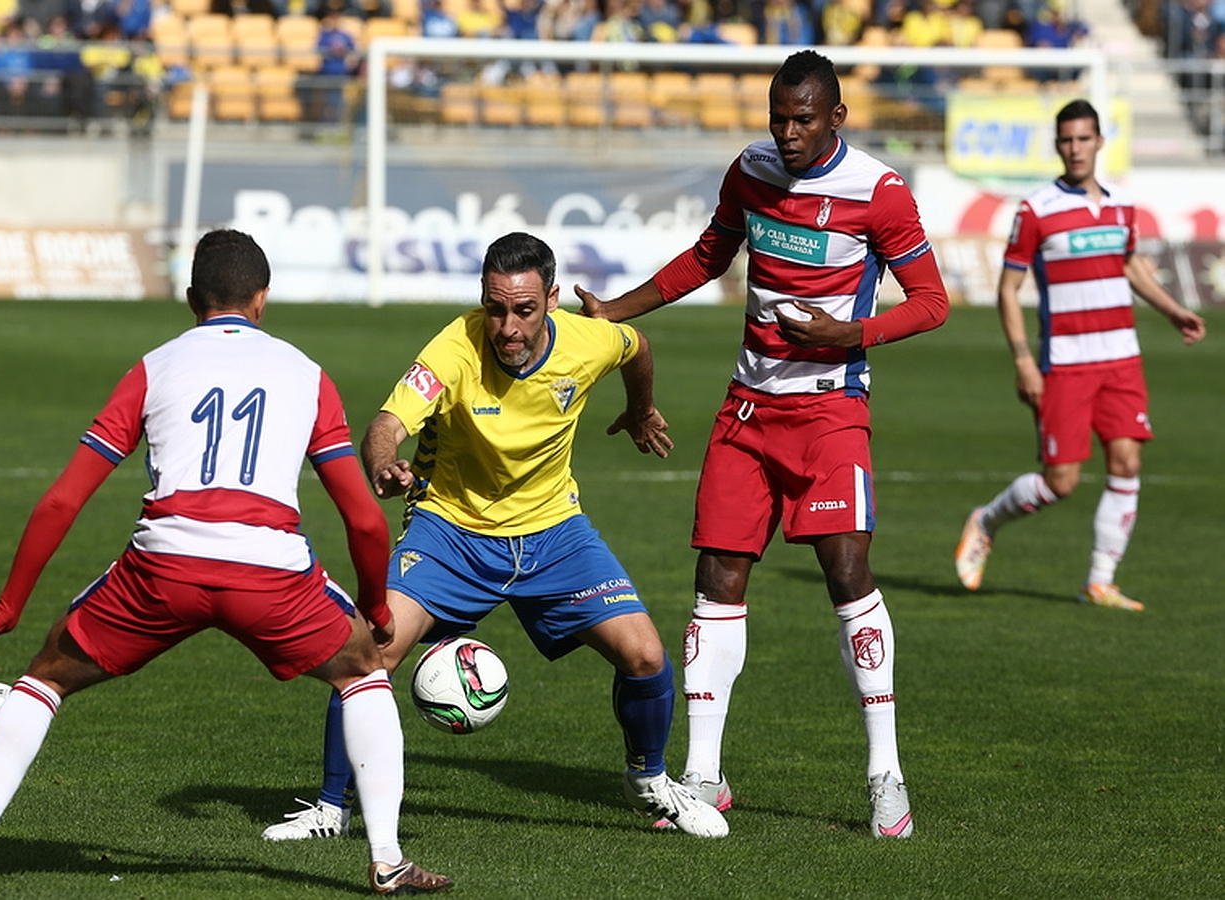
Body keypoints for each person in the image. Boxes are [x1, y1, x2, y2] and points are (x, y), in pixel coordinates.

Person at [0, 230, 452, 896]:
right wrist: (375, 608)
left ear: (190, 299)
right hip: (271, 574)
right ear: (263, 300)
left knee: (44, 678)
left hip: (164, 568)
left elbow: (62, 500)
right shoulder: (307, 374)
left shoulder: (154, 366)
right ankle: (387, 861)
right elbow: (366, 520)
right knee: (364, 675)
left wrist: (8, 606)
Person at [575, 49, 950, 838]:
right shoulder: (749, 172)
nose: (787, 133)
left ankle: (886, 774)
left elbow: (932, 303)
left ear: (837, 118)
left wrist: (852, 332)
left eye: (803, 119)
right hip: (747, 411)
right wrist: (620, 309)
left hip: (829, 412)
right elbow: (710, 254)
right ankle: (706, 777)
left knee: (847, 574)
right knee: (717, 577)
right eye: (778, 117)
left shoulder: (877, 193)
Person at [260, 231, 730, 843]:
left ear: (553, 301)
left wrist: (641, 409)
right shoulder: (455, 348)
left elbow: (636, 344)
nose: (507, 326)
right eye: (495, 307)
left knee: (644, 655)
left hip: (554, 533)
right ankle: (331, 806)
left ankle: (650, 782)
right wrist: (383, 464)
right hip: (450, 533)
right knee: (368, 653)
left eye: (525, 310)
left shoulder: (587, 341)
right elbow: (385, 424)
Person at [953, 100, 1206, 611]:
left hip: (1122, 357)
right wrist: (1024, 359)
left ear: (1098, 142)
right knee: (1061, 482)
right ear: (1057, 145)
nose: (1075, 149)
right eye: (1066, 140)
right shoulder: (1037, 208)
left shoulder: (1120, 204)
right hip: (1065, 361)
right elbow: (1008, 288)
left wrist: (1173, 311)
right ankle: (988, 520)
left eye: (1083, 139)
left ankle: (1100, 580)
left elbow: (1129, 264)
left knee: (1127, 461)